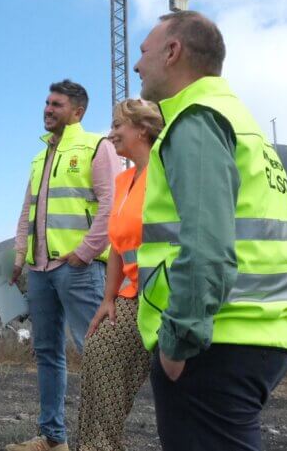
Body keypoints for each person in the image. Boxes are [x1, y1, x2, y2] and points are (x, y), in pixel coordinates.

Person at [133, 11, 287, 451]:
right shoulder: (242, 124)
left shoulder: (197, 121)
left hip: (213, 341)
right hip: (256, 335)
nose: (136, 65)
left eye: (144, 52)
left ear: (172, 52)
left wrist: (179, 340)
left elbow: (207, 244)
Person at [8, 80, 121, 451]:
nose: (47, 109)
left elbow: (111, 205)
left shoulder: (96, 147)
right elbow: (27, 210)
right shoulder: (40, 156)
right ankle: (53, 438)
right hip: (40, 272)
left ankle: (102, 442)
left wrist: (85, 252)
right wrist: (19, 256)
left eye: (56, 104)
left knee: (96, 354)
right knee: (47, 354)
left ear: (78, 111)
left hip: (79, 270)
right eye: (46, 102)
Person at [77, 99, 163, 451]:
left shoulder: (165, 173)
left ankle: (100, 444)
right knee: (98, 349)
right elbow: (116, 246)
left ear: (142, 130)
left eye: (117, 125)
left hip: (162, 296)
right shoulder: (125, 180)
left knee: (112, 358)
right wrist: (108, 298)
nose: (111, 133)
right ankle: (96, 444)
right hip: (131, 294)